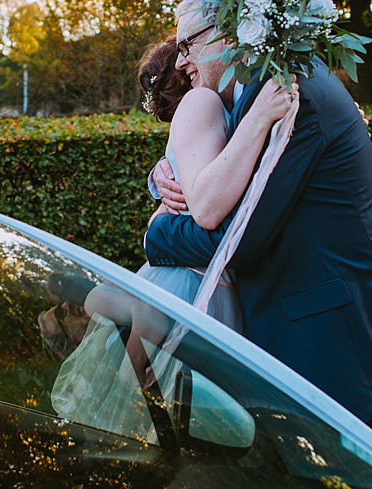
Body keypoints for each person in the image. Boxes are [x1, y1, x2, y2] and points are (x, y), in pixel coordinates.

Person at [144, 0, 372, 436]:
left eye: (187, 45)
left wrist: (157, 234)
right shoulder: (264, 92)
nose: (179, 60)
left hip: (327, 350)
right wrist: (166, 173)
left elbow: (241, 239)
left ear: (227, 33)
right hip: (309, 338)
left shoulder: (291, 99)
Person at [51, 35, 297, 438]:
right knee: (154, 358)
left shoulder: (212, 105)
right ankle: (137, 397)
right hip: (194, 274)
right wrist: (160, 178)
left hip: (188, 270)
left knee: (139, 332)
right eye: (182, 55)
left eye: (190, 52)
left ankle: (132, 395)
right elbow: (205, 180)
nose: (188, 62)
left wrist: (161, 179)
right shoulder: (205, 103)